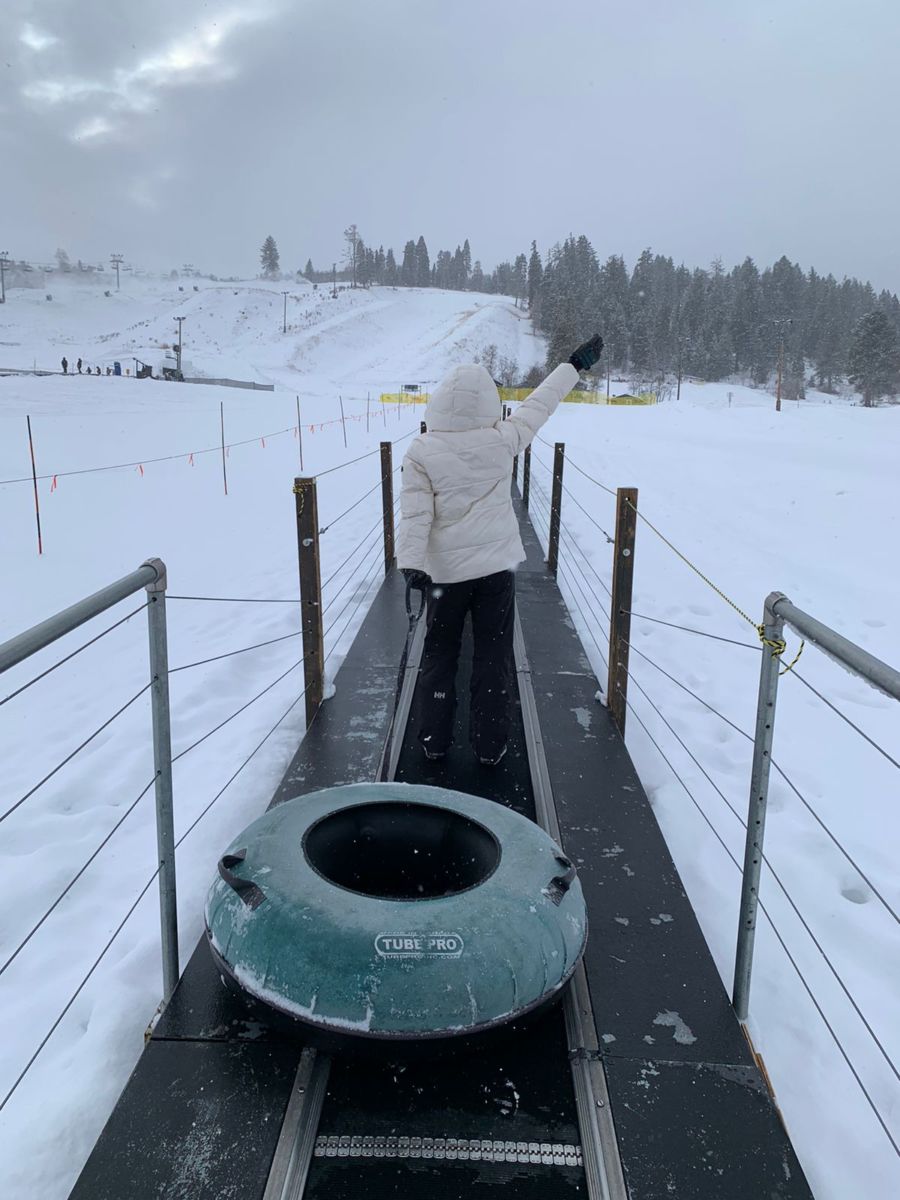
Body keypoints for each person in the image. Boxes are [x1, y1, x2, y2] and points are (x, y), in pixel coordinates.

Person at [396, 334, 603, 765]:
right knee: (493, 655)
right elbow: (539, 405)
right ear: (488, 402)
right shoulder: (503, 440)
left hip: (444, 578)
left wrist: (412, 565)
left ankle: (433, 741)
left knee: (439, 654)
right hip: (495, 573)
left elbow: (415, 517)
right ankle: (490, 744)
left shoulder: (421, 452)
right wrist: (573, 366)